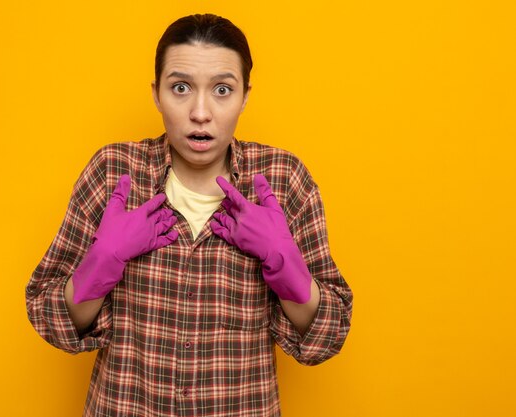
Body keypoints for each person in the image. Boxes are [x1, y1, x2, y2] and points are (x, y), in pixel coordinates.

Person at [26, 13, 353, 417]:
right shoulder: (114, 172)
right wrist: (103, 260)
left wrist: (284, 262)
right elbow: (53, 320)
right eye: (180, 88)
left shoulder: (284, 181)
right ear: (156, 93)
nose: (201, 112)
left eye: (222, 90)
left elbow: (328, 333)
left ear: (246, 96)